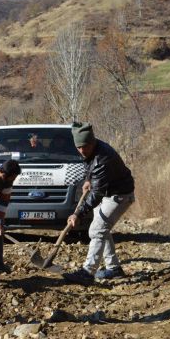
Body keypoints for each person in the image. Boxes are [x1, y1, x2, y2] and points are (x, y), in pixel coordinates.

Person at [63, 122, 135, 285]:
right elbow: (89, 164)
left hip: (120, 195)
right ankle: (114, 268)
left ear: (92, 142)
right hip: (109, 192)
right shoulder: (92, 150)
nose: (82, 150)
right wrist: (89, 179)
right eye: (79, 147)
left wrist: (78, 213)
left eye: (85, 146)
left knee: (97, 229)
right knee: (102, 227)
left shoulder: (102, 158)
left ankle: (88, 272)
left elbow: (97, 194)